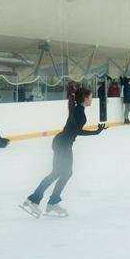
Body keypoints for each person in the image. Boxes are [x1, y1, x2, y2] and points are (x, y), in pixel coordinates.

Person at [20, 87, 106, 218]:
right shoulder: (79, 111)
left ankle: (45, 201)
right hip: (63, 145)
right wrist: (95, 132)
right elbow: (76, 131)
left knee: (61, 173)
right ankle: (38, 201)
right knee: (61, 173)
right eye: (91, 97)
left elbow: (74, 130)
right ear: (85, 98)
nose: (92, 99)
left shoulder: (78, 109)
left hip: (62, 143)